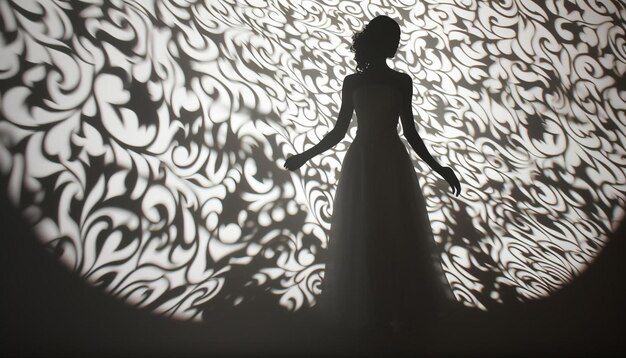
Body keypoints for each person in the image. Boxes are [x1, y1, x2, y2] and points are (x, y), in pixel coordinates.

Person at [284, 15, 461, 338]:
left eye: (396, 37)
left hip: (390, 162)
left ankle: (394, 315)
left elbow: (411, 132)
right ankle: (374, 315)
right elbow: (338, 132)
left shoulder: (401, 81)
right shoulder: (353, 82)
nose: (396, 43)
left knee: (396, 230)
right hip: (363, 163)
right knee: (365, 230)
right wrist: (304, 156)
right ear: (380, 41)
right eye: (392, 37)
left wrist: (439, 167)